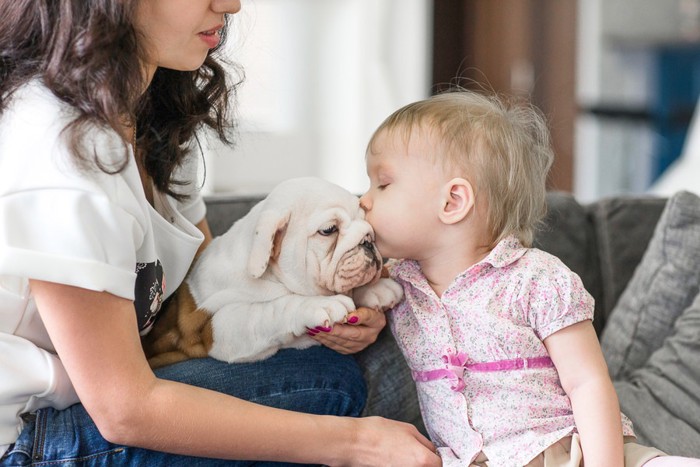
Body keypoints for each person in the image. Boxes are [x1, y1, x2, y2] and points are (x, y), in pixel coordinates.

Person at [0, 1, 442, 465]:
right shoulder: (62, 154)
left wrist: (326, 312)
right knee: (332, 383)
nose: (230, 4)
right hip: (29, 435)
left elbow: (215, 286)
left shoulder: (154, 120)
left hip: (103, 394)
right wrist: (353, 444)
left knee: (367, 350)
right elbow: (124, 409)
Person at [359, 90, 700, 467]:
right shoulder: (395, 286)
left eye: (383, 184)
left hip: (571, 451)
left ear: (453, 201)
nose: (363, 200)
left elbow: (586, 383)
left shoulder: (536, 279)